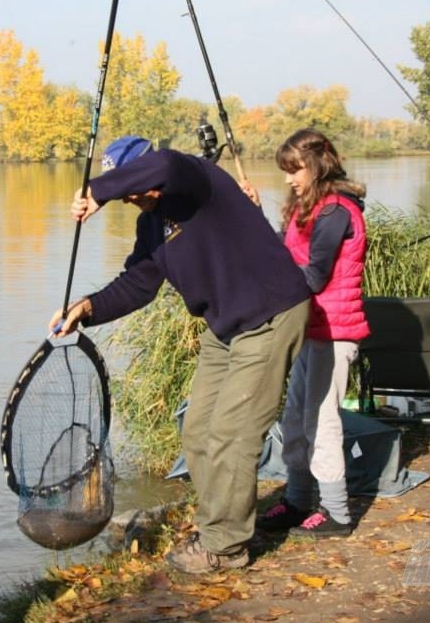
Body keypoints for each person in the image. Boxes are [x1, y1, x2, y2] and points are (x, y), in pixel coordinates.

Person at [49, 135, 312, 574]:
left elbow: (167, 165)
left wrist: (98, 190)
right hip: (225, 326)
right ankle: (218, 527)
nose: (132, 197)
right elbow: (138, 284)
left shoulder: (194, 180)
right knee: (198, 430)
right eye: (124, 191)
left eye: (133, 185)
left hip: (271, 313)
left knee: (233, 432)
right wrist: (87, 308)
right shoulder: (151, 225)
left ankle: (225, 547)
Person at [243, 129, 369, 538]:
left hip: (334, 331)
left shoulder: (335, 212)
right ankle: (298, 502)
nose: (288, 179)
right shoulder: (308, 207)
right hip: (309, 330)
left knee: (322, 421)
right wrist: (255, 215)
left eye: (294, 170)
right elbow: (281, 253)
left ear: (317, 165)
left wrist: (272, 283)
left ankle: (336, 513)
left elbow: (314, 277)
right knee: (295, 418)